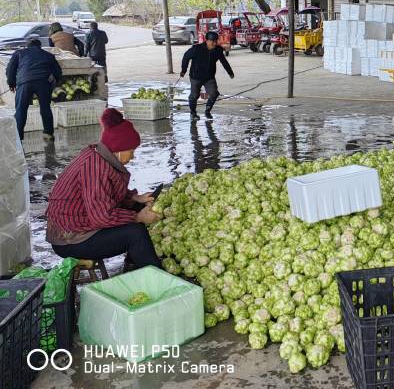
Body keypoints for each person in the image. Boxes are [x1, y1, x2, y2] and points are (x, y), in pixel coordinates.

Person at [45, 108, 162, 269]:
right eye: (131, 150)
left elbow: (105, 194)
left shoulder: (99, 155)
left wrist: (135, 198)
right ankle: (157, 279)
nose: (133, 156)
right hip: (71, 239)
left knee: (137, 208)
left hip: (81, 225)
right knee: (136, 233)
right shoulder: (95, 168)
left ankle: (136, 261)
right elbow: (102, 217)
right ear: (119, 149)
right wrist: (138, 218)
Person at [5, 37, 62, 141]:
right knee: (45, 108)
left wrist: (11, 84)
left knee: (21, 110)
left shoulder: (19, 53)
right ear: (40, 46)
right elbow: (58, 72)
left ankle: (18, 137)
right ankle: (48, 134)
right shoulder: (48, 55)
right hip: (43, 83)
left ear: (27, 46)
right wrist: (54, 83)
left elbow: (10, 70)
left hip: (24, 83)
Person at [180, 30, 234, 120]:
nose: (214, 43)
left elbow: (224, 62)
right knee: (194, 95)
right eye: (212, 41)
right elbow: (186, 57)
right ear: (207, 40)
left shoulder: (218, 50)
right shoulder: (197, 49)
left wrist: (230, 72)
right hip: (196, 76)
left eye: (215, 41)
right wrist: (183, 70)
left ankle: (207, 111)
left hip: (209, 77)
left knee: (214, 93)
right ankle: (193, 113)